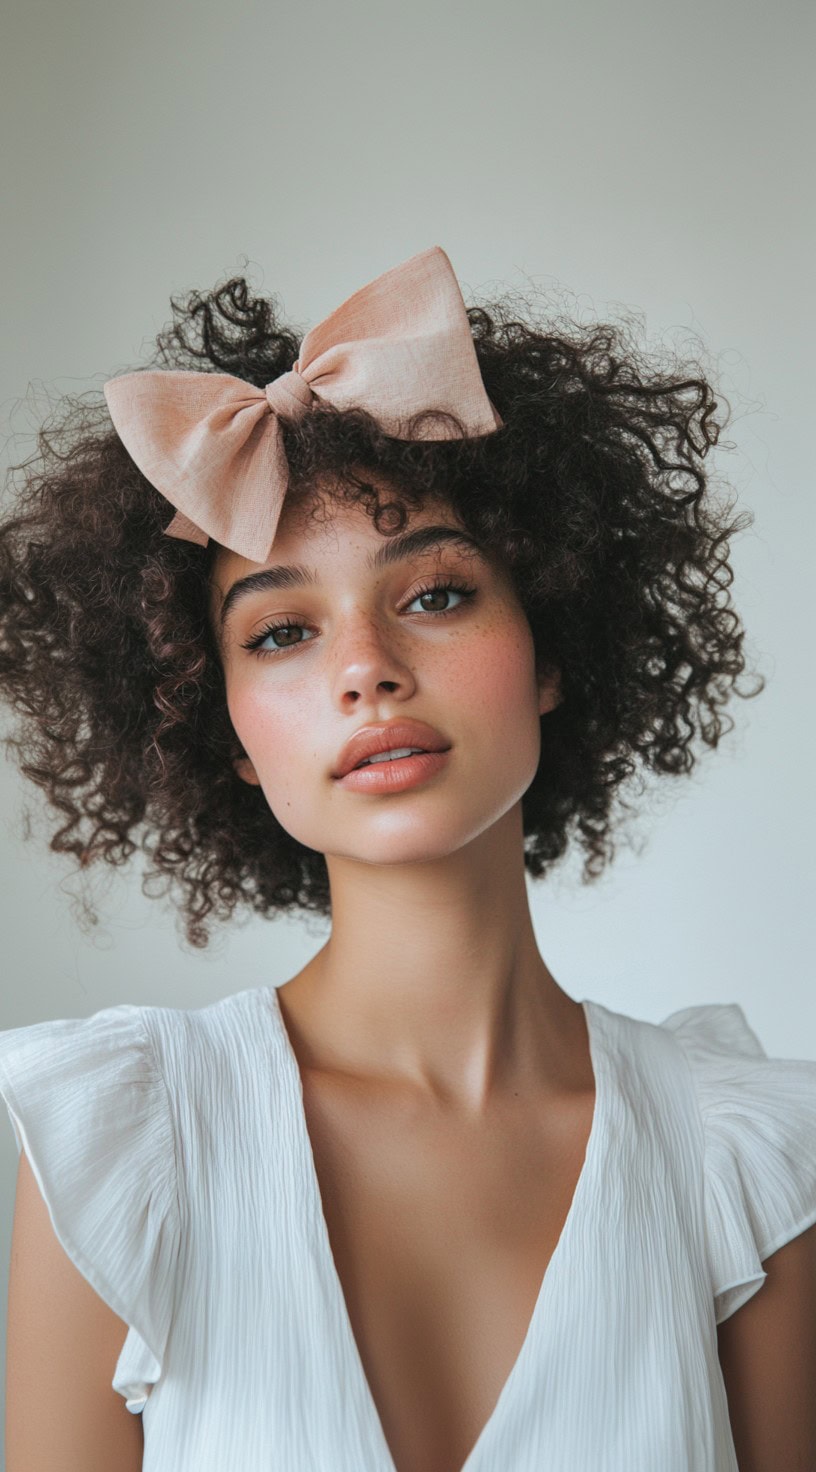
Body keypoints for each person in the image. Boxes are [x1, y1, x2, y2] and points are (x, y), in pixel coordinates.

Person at [0, 245, 813, 1472]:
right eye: (280, 630)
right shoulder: (122, 1144)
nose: (363, 667)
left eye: (433, 594)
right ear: (215, 724)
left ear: (551, 647)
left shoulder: (743, 1160)